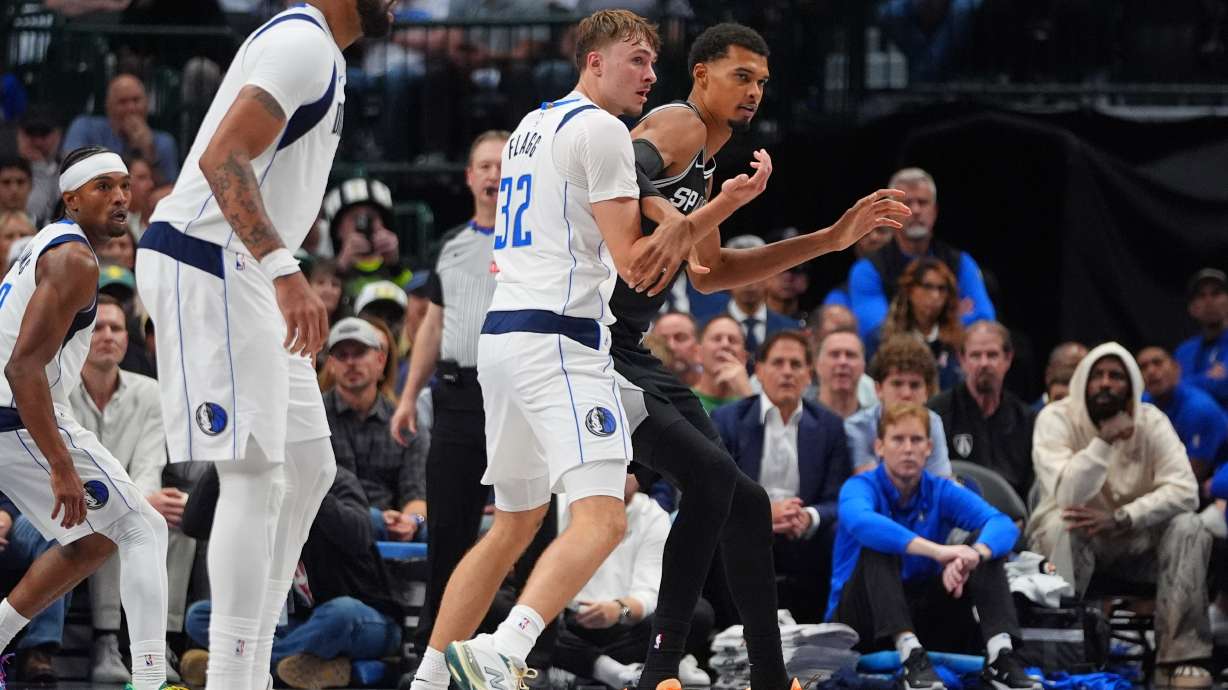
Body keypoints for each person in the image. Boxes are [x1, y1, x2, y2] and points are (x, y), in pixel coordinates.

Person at [409, 10, 711, 690]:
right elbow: (637, 266)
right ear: (594, 62)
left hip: (504, 339)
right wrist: (703, 215)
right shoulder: (603, 130)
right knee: (603, 518)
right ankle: (502, 649)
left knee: (513, 526)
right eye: (636, 59)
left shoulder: (531, 124)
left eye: (653, 63)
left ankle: (427, 678)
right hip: (560, 343)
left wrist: (660, 211)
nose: (650, 74)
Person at [607, 22, 909, 689]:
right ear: (702, 75)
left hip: (629, 345)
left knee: (738, 500)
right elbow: (620, 169)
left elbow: (710, 274)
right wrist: (683, 219)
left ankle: (769, 679)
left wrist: (831, 239)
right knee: (716, 483)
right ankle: (661, 669)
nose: (754, 93)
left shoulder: (708, 165)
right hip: (592, 342)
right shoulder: (679, 123)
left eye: (763, 83)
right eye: (742, 76)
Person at [134, 2, 393, 688]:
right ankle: (229, 676)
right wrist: (285, 268)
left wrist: (276, 267)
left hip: (245, 265)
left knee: (308, 469)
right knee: (252, 472)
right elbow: (225, 154)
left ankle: (252, 657)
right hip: (211, 258)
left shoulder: (324, 54)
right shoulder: (302, 42)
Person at [0, 146, 181, 690]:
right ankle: (149, 679)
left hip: (12, 415)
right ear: (71, 198)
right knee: (142, 525)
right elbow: (23, 367)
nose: (121, 196)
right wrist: (60, 464)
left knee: (97, 538)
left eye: (125, 185)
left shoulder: (42, 245)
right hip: (15, 416)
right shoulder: (74, 259)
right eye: (103, 187)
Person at [389, 130, 519, 649]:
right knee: (449, 527)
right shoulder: (449, 245)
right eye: (484, 165)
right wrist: (405, 397)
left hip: (516, 394)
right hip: (457, 395)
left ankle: (522, 648)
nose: (493, 174)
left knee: (525, 524)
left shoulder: (535, 240)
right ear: (469, 176)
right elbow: (432, 326)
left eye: (502, 165)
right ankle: (432, 650)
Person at [1027, 343, 1211, 688]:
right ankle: (1062, 653)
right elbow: (1067, 494)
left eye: (1116, 376)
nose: (1106, 384)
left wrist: (1124, 517)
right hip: (1076, 539)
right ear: (1083, 380)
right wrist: (1103, 442)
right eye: (1097, 376)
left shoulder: (1151, 421)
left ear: (1131, 386)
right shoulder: (1055, 418)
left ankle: (1179, 659)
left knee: (1190, 525)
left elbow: (1186, 489)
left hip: (1136, 542)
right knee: (1061, 523)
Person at [829, 403, 1036, 690]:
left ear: (929, 447)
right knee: (879, 543)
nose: (908, 448)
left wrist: (973, 556)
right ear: (879, 446)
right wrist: (939, 552)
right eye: (898, 439)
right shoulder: (859, 486)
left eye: (916, 440)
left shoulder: (940, 489)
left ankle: (1000, 656)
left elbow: (1002, 522)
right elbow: (862, 522)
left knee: (985, 544)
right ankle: (909, 654)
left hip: (922, 612)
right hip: (859, 619)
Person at [180, 462, 403, 689]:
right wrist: (224, 460)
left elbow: (358, 535)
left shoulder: (334, 478)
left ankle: (240, 664)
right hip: (293, 623)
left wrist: (307, 489)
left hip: (365, 619)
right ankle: (314, 667)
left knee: (340, 613)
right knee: (200, 615)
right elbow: (192, 524)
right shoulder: (256, 487)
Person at [69, 295, 196, 684]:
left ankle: (163, 641)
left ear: (127, 339)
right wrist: (133, 502)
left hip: (130, 493)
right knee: (120, 517)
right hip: (78, 502)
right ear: (78, 337)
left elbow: (149, 463)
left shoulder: (151, 392)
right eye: (98, 328)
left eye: (117, 328)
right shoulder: (59, 389)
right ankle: (106, 638)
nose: (108, 336)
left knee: (176, 517)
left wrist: (142, 500)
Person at [711, 331, 852, 622]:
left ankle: (828, 629)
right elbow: (714, 489)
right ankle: (730, 631)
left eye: (796, 364)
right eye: (777, 363)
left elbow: (838, 497)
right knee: (717, 527)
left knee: (842, 531)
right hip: (745, 528)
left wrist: (809, 516)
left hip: (803, 533)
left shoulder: (830, 427)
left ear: (809, 375)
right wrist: (762, 514)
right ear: (759, 372)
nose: (787, 372)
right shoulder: (728, 420)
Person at [552, 476, 714, 689]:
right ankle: (612, 670)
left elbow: (649, 594)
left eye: (632, 467)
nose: (624, 473)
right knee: (513, 608)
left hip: (624, 624)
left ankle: (579, 665)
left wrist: (619, 610)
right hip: (566, 622)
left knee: (696, 611)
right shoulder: (560, 504)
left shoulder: (652, 514)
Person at [848, 167, 994, 340]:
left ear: (935, 210)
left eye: (923, 202)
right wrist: (951, 320)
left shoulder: (961, 261)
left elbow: (983, 320)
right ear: (889, 213)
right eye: (907, 203)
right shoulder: (867, 269)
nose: (916, 210)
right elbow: (878, 331)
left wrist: (914, 325)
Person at [323, 317, 426, 541]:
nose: (351, 362)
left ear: (381, 359)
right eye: (341, 355)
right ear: (330, 365)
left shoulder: (407, 422)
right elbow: (314, 495)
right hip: (332, 532)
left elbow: (416, 493)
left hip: (396, 533)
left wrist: (411, 522)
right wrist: (376, 520)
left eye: (359, 352)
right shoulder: (314, 418)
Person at [928, 321, 1035, 502]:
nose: (984, 363)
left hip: (1014, 520)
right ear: (962, 360)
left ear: (1008, 359)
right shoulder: (936, 414)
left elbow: (1032, 488)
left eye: (992, 355)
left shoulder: (1027, 420)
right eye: (976, 355)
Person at [845, 335, 951, 475]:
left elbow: (940, 482)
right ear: (879, 389)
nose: (906, 394)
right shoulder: (857, 426)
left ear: (927, 392)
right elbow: (870, 485)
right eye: (897, 384)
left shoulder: (933, 422)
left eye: (915, 385)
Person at [1138, 345, 1228, 491]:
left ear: (1176, 368)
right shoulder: (1141, 406)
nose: (1151, 371)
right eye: (1143, 367)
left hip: (1210, 483)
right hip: (1162, 479)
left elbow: (1191, 474)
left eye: (1158, 363)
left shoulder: (1200, 408)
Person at [63, 74, 181, 184]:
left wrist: (149, 152)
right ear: (108, 107)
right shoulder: (85, 126)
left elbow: (169, 190)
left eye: (136, 100)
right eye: (122, 102)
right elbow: (70, 170)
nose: (131, 108)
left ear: (146, 104)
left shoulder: (164, 142)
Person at [873, 257, 962, 391]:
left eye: (941, 289)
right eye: (928, 286)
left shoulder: (958, 341)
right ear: (910, 290)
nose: (935, 295)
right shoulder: (881, 338)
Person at [322, 176, 410, 296]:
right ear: (338, 230)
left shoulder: (402, 269)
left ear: (384, 223)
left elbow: (416, 306)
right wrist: (341, 267)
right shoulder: (320, 268)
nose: (364, 225)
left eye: (371, 217)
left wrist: (395, 267)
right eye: (354, 218)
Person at [722, 234, 801, 358]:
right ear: (725, 278)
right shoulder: (706, 328)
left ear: (770, 275)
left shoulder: (790, 329)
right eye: (740, 273)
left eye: (756, 272)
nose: (748, 282)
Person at [1175, 268, 1228, 410]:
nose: (1209, 301)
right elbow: (1174, 390)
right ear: (1192, 308)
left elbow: (1224, 385)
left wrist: (1190, 381)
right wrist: (1209, 377)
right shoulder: (1184, 351)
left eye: (1216, 293)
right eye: (1201, 296)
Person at [691, 314, 754, 413]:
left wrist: (747, 395)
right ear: (698, 353)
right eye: (717, 339)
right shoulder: (682, 401)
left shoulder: (761, 402)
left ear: (744, 358)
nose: (725, 344)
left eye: (732, 340)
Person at [15, 104, 64, 226]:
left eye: (44, 133)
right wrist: (39, 167)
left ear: (58, 135)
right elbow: (33, 214)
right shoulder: (7, 171)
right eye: (31, 133)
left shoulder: (69, 167)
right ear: (19, 135)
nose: (37, 142)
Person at [809, 328, 872, 419]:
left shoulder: (874, 425)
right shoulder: (798, 420)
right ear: (817, 365)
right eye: (834, 354)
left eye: (850, 355)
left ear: (863, 366)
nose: (843, 362)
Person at [1035, 342, 1088, 411]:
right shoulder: (1029, 418)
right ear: (1049, 373)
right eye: (1073, 367)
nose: (1081, 374)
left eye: (1085, 368)